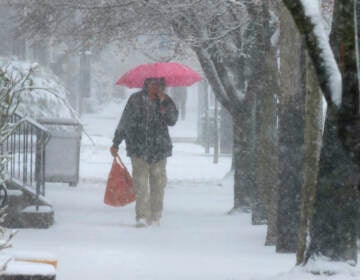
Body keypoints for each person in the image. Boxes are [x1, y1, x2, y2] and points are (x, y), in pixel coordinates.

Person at [110, 77, 179, 227]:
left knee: (158, 184)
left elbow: (172, 120)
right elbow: (125, 121)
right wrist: (116, 142)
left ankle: (155, 216)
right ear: (146, 84)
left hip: (159, 150)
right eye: (153, 84)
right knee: (140, 184)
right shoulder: (135, 100)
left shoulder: (166, 101)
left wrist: (164, 103)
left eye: (159, 85)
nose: (156, 87)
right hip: (138, 149)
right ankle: (141, 216)